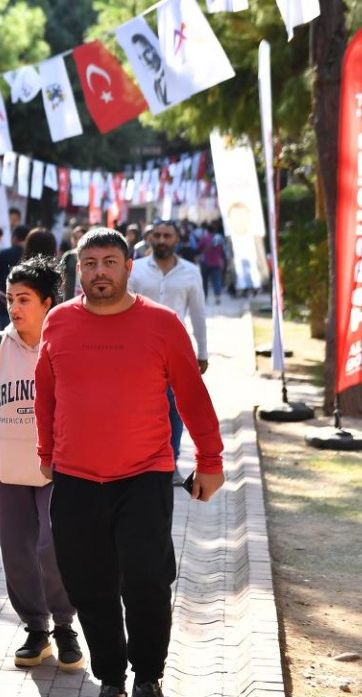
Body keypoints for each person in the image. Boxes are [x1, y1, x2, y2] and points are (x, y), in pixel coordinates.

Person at [35, 228, 225, 697]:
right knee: (87, 582)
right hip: (77, 478)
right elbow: (47, 395)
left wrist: (210, 459)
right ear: (78, 270)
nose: (99, 271)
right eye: (89, 263)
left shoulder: (161, 324)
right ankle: (112, 676)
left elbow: (192, 396)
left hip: (145, 474)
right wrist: (46, 453)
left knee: (146, 579)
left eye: (109, 262)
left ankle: (147, 675)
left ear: (127, 267)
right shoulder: (58, 322)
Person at [0, 256, 84, 673]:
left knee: (54, 548)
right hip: (4, 471)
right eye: (11, 298)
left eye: (24, 299)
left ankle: (65, 625)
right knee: (17, 555)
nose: (15, 306)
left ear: (49, 302)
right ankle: (36, 628)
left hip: (56, 471)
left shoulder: (67, 345)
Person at [128, 220, 210, 486]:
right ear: (150, 238)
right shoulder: (136, 269)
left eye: (167, 235)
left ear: (177, 239)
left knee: (175, 408)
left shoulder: (191, 272)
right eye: (157, 235)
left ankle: (171, 462)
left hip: (176, 352)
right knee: (138, 407)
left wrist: (203, 351)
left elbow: (198, 313)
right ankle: (137, 461)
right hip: (138, 351)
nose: (162, 240)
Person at [0, 224, 29, 328]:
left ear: (14, 237)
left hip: (6, 307)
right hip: (27, 309)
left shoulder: (5, 253)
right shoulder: (32, 256)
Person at [197, 223, 226, 304]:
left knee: (204, 281)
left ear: (207, 230)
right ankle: (217, 297)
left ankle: (204, 297)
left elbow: (198, 248)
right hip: (217, 262)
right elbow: (223, 252)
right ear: (215, 230)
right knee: (216, 280)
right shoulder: (220, 239)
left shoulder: (204, 238)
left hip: (205, 262)